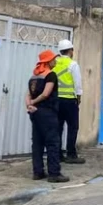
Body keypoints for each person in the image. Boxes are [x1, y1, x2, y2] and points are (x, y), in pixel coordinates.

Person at [25, 50, 70, 183]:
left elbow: (27, 94)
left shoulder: (34, 76)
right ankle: (54, 174)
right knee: (53, 143)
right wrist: (33, 103)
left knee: (37, 143)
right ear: (48, 61)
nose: (55, 61)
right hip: (48, 113)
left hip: (35, 113)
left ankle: (37, 172)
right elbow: (46, 94)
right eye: (53, 59)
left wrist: (29, 105)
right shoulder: (51, 75)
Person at [53, 39, 85, 164]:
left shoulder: (54, 63)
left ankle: (58, 154)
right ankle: (71, 154)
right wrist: (79, 97)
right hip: (69, 101)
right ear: (71, 50)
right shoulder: (73, 64)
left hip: (56, 100)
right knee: (73, 127)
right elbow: (77, 83)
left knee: (58, 127)